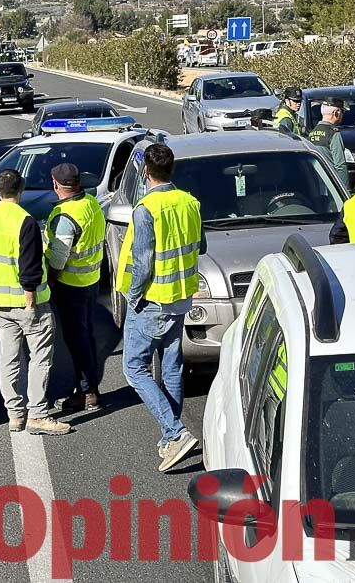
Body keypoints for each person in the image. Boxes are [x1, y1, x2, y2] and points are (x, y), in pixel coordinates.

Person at [116, 143, 205, 472]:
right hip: (181, 296)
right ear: (171, 169)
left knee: (134, 368)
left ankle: (175, 432)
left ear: (145, 172)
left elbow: (142, 263)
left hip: (153, 299)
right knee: (171, 367)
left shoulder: (146, 209)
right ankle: (171, 437)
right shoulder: (190, 202)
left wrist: (134, 297)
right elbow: (202, 244)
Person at [0, 169, 72, 436]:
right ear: (21, 190)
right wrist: (30, 295)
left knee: (8, 358)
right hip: (29, 303)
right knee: (39, 358)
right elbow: (29, 264)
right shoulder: (24, 221)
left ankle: (15, 414)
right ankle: (38, 414)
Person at [45, 163, 106, 414]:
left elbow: (59, 259)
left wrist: (49, 281)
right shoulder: (90, 202)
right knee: (86, 336)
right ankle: (86, 389)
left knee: (77, 340)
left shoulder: (65, 217)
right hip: (91, 280)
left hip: (71, 286)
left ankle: (88, 391)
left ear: (56, 184)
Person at [308, 98, 349, 188]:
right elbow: (340, 165)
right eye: (343, 112)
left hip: (317, 184)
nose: (342, 115)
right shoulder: (333, 133)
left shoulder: (311, 133)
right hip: (332, 185)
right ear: (336, 113)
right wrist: (345, 189)